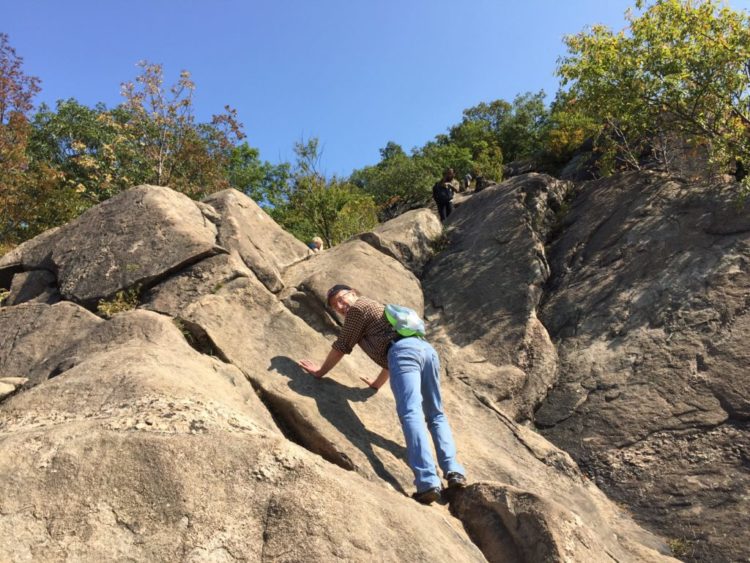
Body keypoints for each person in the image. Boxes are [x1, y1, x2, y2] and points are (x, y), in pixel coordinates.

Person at [298, 284, 467, 504]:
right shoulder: (379, 311)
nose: (340, 306)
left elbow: (342, 345)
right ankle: (454, 471)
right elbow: (392, 355)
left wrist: (320, 372)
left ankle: (427, 482)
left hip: (404, 353)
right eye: (335, 306)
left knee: (411, 413)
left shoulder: (360, 307)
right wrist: (377, 384)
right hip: (425, 351)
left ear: (353, 294)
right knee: (435, 414)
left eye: (341, 299)